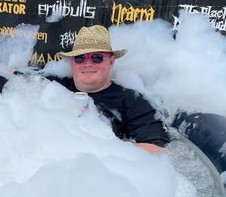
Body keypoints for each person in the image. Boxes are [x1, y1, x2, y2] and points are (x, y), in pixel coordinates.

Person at [47, 25, 170, 153]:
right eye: (80, 57)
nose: (88, 63)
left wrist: (102, 147)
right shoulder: (50, 86)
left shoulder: (133, 102)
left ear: (111, 61)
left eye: (96, 57)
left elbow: (158, 150)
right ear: (72, 62)